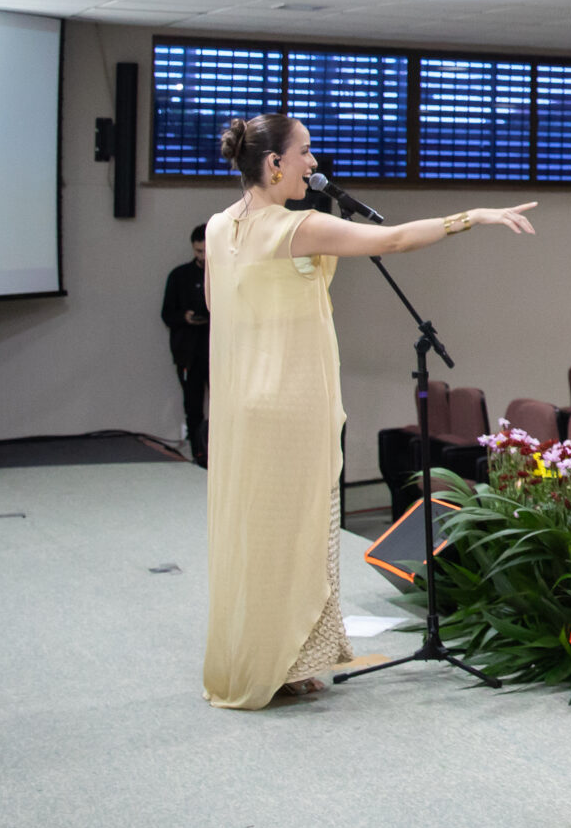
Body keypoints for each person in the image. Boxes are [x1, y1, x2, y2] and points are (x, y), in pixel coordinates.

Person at [201, 114, 537, 709]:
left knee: (260, 533)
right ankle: (281, 659)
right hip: (289, 403)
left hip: (243, 406)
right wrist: (475, 216)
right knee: (299, 532)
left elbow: (219, 310)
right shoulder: (295, 226)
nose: (313, 163)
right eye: (303, 152)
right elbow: (394, 240)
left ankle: (273, 656)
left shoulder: (220, 226)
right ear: (274, 164)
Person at [161, 223, 210, 467]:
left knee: (225, 405)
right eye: (198, 251)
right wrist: (186, 317)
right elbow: (167, 314)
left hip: (219, 352)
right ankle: (198, 454)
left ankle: (222, 452)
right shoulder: (179, 276)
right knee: (192, 405)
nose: (202, 256)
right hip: (188, 352)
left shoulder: (226, 273)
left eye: (206, 251)